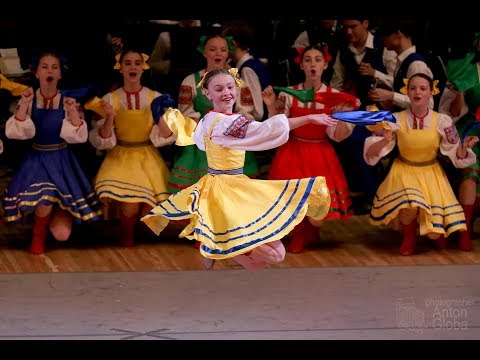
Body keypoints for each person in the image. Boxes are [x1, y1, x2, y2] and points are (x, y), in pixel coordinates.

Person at [141, 68, 334, 270]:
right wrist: (309, 118)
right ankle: (217, 246)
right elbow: (265, 129)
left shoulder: (208, 119)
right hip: (229, 191)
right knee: (276, 255)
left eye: (230, 87)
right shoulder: (228, 123)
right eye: (219, 88)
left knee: (259, 262)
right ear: (207, 94)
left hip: (221, 185)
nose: (227, 92)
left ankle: (216, 247)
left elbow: (199, 140)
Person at [364, 73, 478, 255]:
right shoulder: (396, 119)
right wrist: (384, 140)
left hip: (430, 173)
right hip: (403, 171)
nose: (418, 92)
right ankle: (409, 238)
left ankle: (433, 235)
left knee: (435, 235)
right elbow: (370, 153)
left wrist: (464, 146)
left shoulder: (443, 121)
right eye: (413, 88)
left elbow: (456, 152)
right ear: (406, 92)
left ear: (431, 93)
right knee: (409, 203)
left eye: (423, 89)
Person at [2, 51, 103, 254]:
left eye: (54, 67)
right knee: (44, 197)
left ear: (60, 75)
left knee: (61, 234)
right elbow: (15, 133)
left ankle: (51, 215)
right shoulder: (28, 98)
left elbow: (79, 137)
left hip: (61, 161)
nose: (50, 71)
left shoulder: (69, 100)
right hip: (36, 160)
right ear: (36, 73)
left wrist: (73, 112)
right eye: (45, 67)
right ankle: (38, 234)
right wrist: (24, 104)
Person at [263, 44, 360, 253]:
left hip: (320, 153)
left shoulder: (334, 96)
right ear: (302, 65)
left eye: (317, 60)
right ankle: (299, 234)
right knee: (294, 201)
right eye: (308, 60)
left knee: (317, 213)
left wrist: (345, 114)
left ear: (325, 65)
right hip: (293, 151)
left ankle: (311, 230)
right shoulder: (290, 94)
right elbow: (278, 129)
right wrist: (271, 105)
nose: (313, 64)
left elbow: (339, 136)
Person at [88, 49, 176, 247]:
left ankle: (138, 230)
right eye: (128, 63)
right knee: (130, 206)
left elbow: (168, 136)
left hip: (147, 156)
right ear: (120, 69)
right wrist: (110, 117)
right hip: (121, 156)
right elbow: (100, 138)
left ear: (143, 68)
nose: (133, 67)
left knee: (151, 214)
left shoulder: (156, 97)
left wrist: (157, 116)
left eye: (137, 63)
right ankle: (126, 235)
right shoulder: (110, 99)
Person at [169, 33, 260, 194]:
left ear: (227, 53)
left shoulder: (238, 82)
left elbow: (246, 113)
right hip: (202, 146)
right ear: (204, 52)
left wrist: (230, 125)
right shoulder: (191, 81)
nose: (218, 53)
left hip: (231, 143)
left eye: (223, 50)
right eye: (212, 49)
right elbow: (185, 114)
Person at [438, 32, 480, 251]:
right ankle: (463, 229)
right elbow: (452, 111)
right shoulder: (465, 67)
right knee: (470, 169)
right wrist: (460, 93)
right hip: (470, 127)